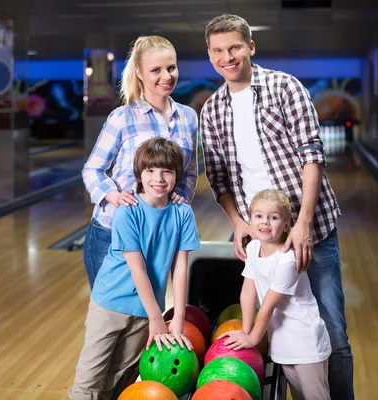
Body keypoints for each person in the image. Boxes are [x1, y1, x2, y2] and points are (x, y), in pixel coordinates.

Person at [200, 14, 354, 399]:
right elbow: (220, 180)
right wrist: (237, 221)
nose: (227, 56)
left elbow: (312, 156)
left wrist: (301, 224)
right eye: (218, 51)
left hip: (310, 229)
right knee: (278, 334)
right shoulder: (213, 110)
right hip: (262, 236)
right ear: (209, 55)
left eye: (234, 47)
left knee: (332, 331)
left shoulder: (285, 87)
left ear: (250, 47)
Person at [69, 137, 202, 400]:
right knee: (89, 381)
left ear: (177, 175)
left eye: (167, 171)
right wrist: (157, 319)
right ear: (139, 174)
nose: (159, 178)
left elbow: (180, 267)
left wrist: (176, 320)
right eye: (151, 170)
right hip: (110, 304)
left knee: (119, 379)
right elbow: (138, 269)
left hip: (145, 311)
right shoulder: (127, 212)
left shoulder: (182, 213)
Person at [81, 35, 199, 289]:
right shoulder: (123, 117)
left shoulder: (189, 117)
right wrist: (113, 196)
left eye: (171, 67)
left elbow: (188, 172)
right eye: (156, 70)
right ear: (139, 72)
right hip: (111, 231)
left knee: (149, 316)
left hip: (159, 234)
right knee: (110, 318)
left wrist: (182, 195)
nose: (166, 76)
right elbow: (93, 169)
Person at [219, 189, 331, 400]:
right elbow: (247, 292)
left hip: (305, 342)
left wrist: (253, 338)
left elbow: (268, 307)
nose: (265, 222)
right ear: (250, 219)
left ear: (287, 224)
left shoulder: (288, 260)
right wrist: (245, 330)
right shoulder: (252, 248)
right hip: (282, 343)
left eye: (274, 217)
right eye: (258, 216)